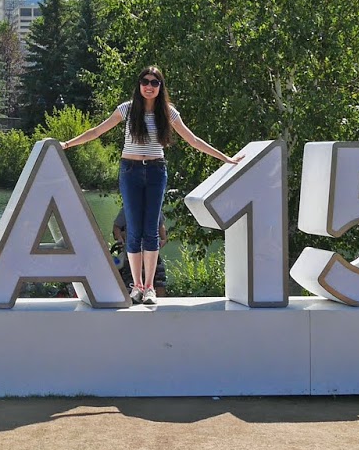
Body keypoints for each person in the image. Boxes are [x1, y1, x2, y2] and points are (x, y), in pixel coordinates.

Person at [62, 66, 235, 306]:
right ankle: (137, 287)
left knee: (151, 230)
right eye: (145, 81)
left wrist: (225, 158)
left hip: (156, 171)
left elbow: (193, 140)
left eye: (155, 82)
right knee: (133, 230)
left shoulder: (169, 113)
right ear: (139, 84)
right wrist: (68, 144)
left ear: (161, 87)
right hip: (130, 171)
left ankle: (150, 287)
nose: (149, 86)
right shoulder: (127, 109)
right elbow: (97, 131)